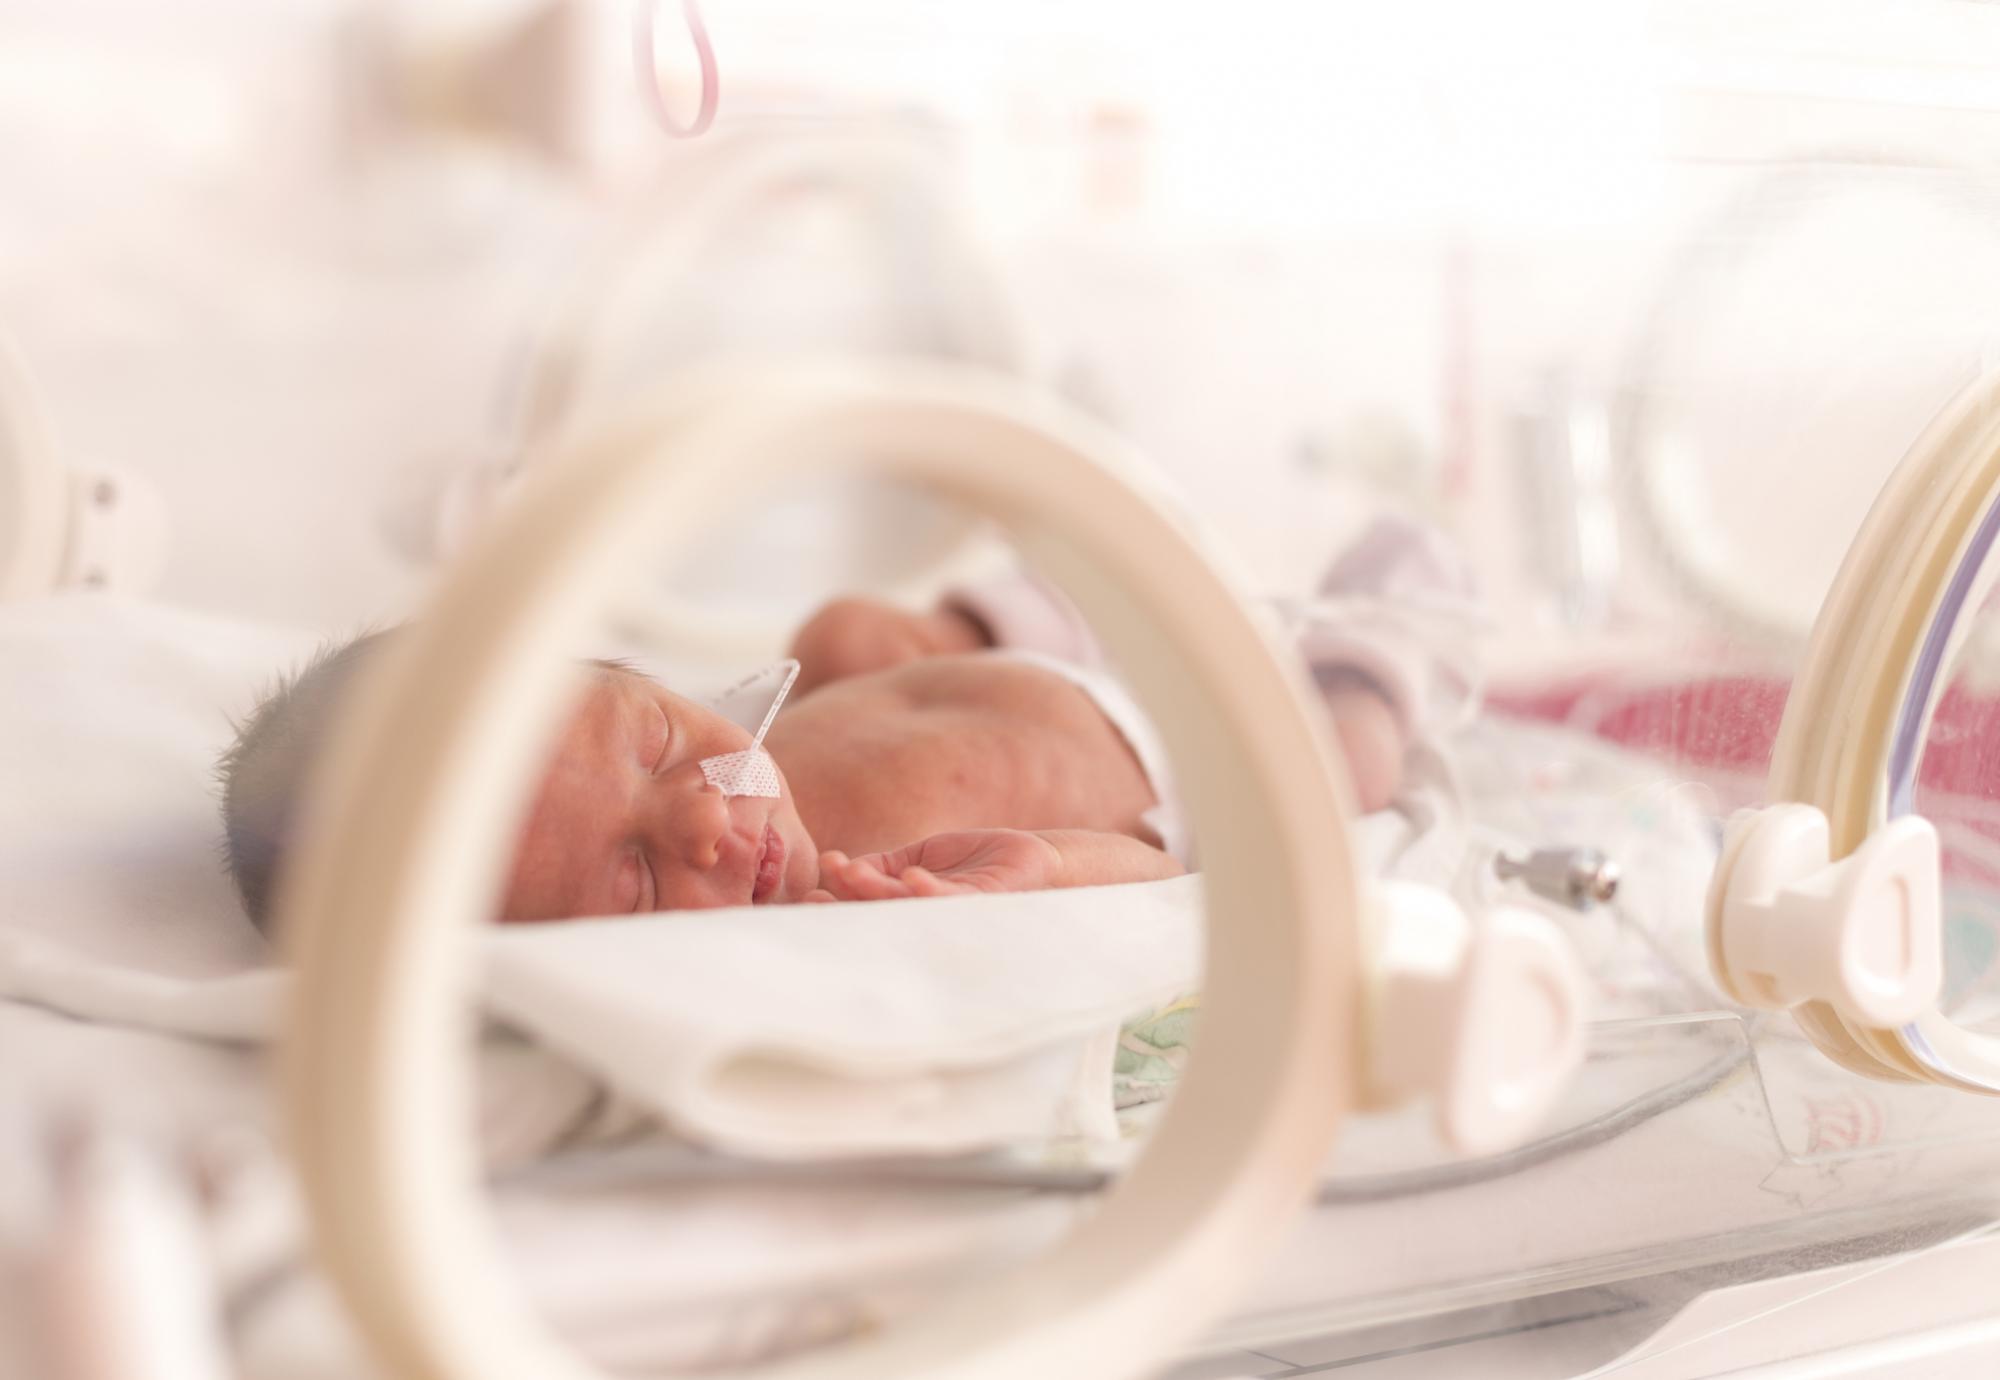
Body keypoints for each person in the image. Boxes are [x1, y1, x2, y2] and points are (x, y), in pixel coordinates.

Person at [219, 517, 1477, 928]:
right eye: (639, 883)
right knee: (1343, 768)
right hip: (1202, 770)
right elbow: (1156, 885)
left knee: (854, 638)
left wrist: (886, 658)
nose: (713, 818)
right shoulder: (857, 904)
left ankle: (1192, 583)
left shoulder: (737, 768)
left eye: (656, 742)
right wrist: (1044, 874)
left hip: (1049, 658)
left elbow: (774, 721)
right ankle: (1381, 640)